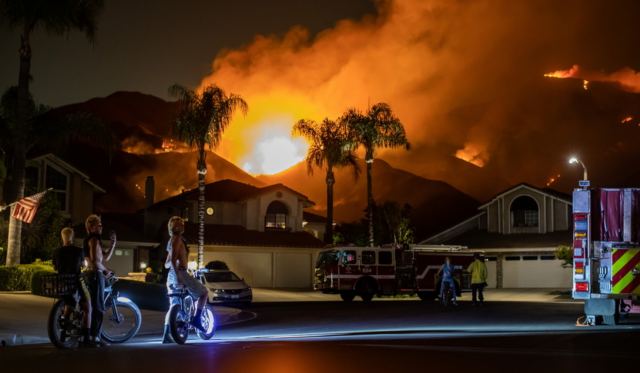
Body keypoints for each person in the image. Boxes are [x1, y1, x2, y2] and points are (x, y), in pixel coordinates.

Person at [163, 216, 207, 343]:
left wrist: (175, 266)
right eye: (179, 224)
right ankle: (197, 319)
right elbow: (172, 260)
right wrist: (179, 274)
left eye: (182, 223)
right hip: (180, 274)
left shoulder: (171, 240)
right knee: (203, 293)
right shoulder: (177, 239)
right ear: (173, 227)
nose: (182, 225)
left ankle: (166, 335)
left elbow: (167, 264)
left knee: (173, 305)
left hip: (171, 275)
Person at [52, 227, 92, 345]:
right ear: (72, 237)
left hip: (63, 282)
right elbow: (83, 265)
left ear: (62, 237)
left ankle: (63, 333)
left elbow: (55, 267)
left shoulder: (57, 252)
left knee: (69, 302)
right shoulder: (78, 251)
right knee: (88, 306)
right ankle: (86, 338)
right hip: (77, 280)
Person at [83, 214, 116, 346]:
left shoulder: (91, 239)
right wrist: (106, 271)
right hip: (95, 276)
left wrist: (113, 244)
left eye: (101, 224)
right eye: (99, 225)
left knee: (93, 306)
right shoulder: (94, 240)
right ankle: (95, 337)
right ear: (91, 227)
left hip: (90, 275)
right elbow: (96, 263)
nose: (101, 227)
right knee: (99, 307)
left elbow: (104, 258)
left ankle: (90, 335)